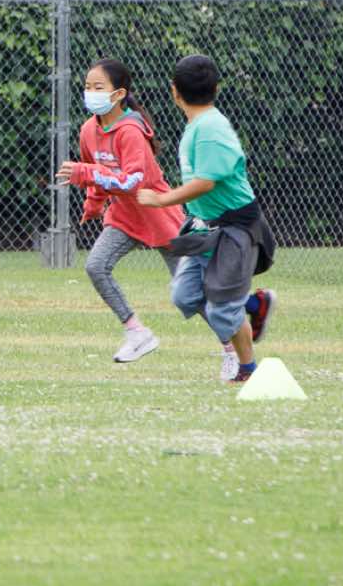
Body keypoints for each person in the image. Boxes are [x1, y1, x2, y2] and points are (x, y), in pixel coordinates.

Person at [139, 54, 279, 384]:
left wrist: (161, 199)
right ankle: (252, 304)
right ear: (216, 88)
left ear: (174, 91)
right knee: (184, 295)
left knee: (222, 309)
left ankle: (247, 370)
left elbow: (205, 183)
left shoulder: (211, 129)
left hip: (235, 229)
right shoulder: (198, 125)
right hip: (205, 228)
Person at [56, 59, 184, 364]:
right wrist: (94, 204)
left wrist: (85, 173)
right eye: (87, 87)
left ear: (119, 94)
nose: (91, 93)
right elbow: (97, 173)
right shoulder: (88, 130)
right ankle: (137, 333)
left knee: (189, 292)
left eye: (98, 87)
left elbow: (131, 181)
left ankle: (234, 345)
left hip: (157, 213)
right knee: (96, 266)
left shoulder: (130, 131)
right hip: (125, 217)